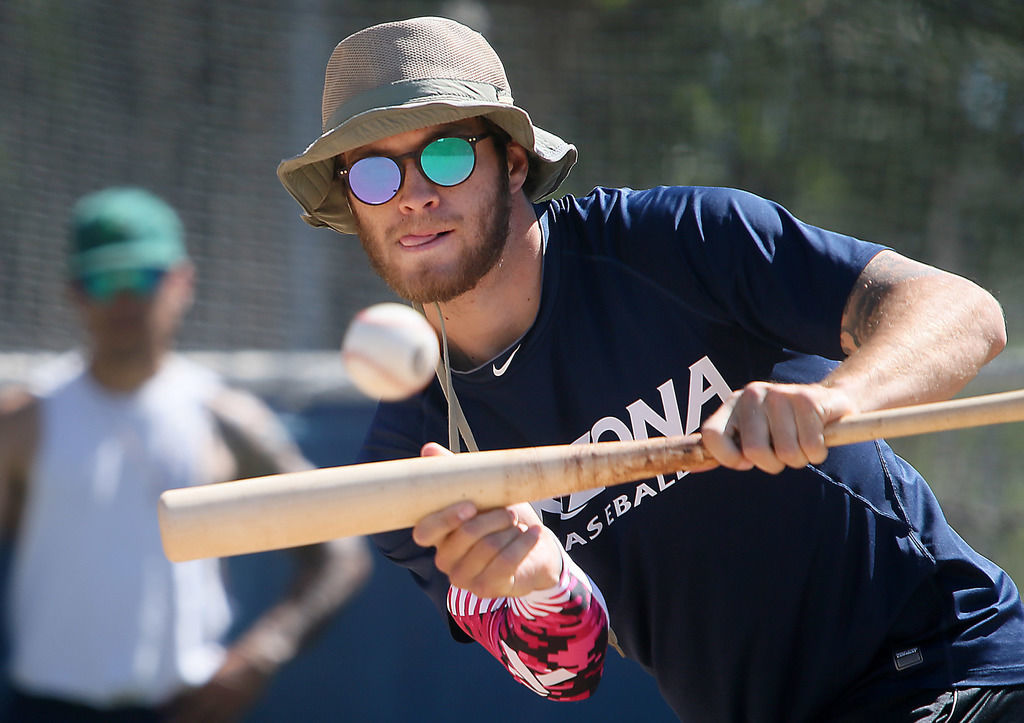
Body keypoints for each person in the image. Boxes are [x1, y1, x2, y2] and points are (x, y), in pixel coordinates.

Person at [276, 16, 1024, 722]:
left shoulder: (678, 242)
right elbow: (569, 669)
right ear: (352, 204)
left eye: (446, 153)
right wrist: (539, 583)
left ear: (512, 163)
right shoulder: (409, 459)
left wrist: (836, 400)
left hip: (948, 669)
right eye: (373, 174)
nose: (413, 196)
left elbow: (964, 312)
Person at [0, 187, 373, 722]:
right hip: (45, 707)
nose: (124, 298)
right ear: (75, 292)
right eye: (103, 279)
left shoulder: (224, 419)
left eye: (143, 276)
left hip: (183, 708)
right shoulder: (22, 423)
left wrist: (262, 654)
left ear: (182, 282)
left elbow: (340, 551)